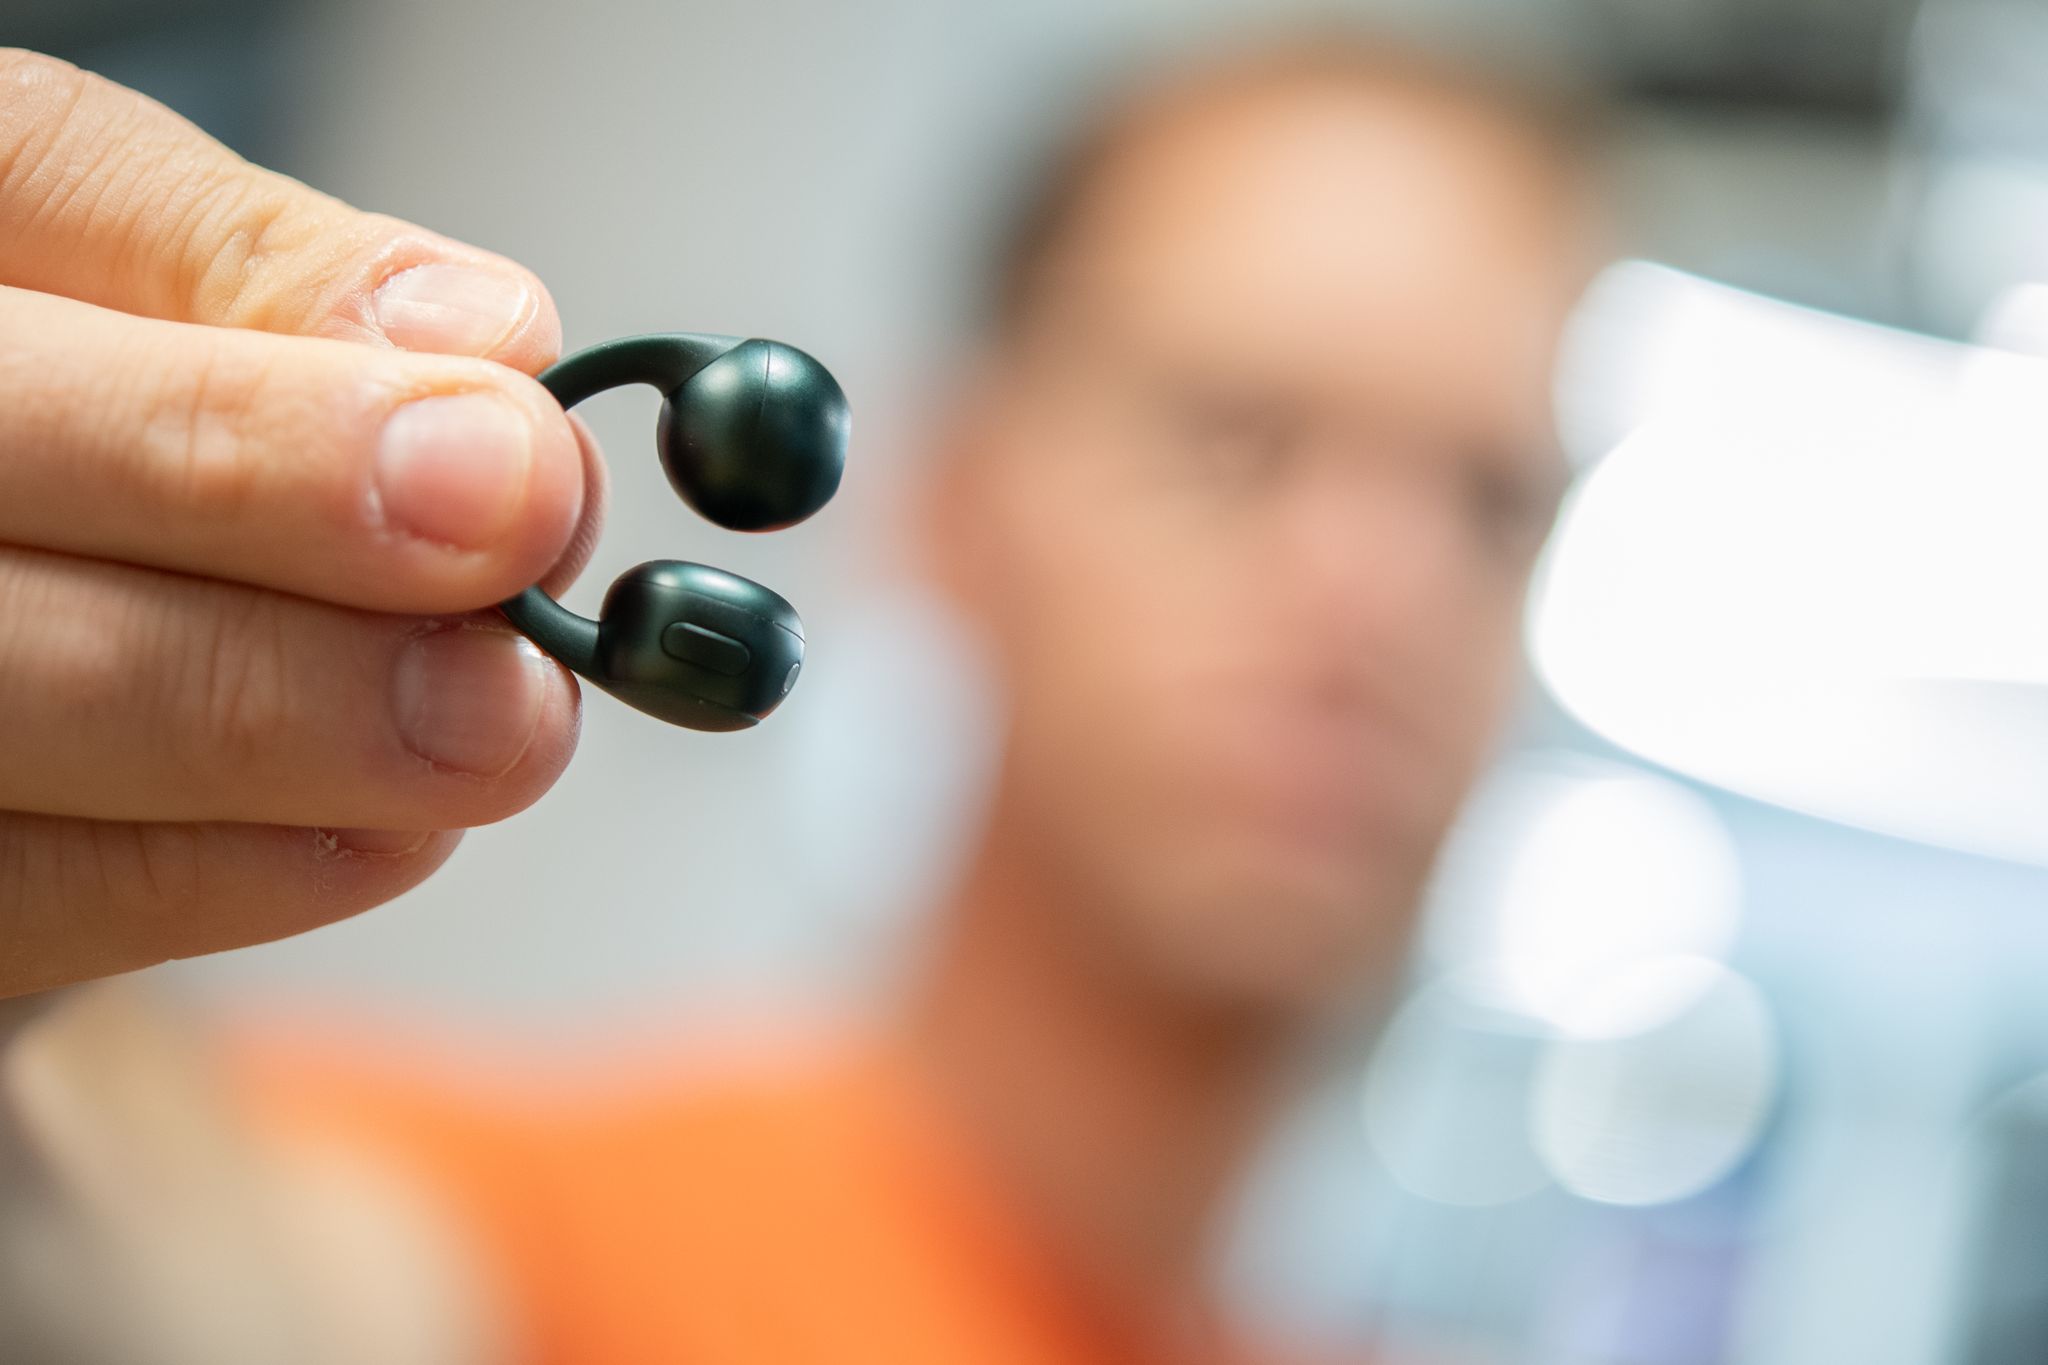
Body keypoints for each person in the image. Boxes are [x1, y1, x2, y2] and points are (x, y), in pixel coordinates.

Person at [0, 33, 1600, 1365]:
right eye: (1234, 441)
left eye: (1488, 499)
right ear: (959, 501)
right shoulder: (510, 1228)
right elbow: (125, 1257)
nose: (1378, 595)